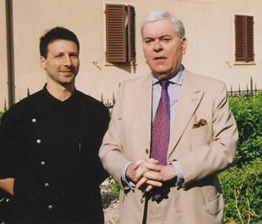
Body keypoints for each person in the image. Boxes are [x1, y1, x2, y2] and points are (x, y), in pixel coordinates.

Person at [99, 10, 238, 224]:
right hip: (139, 213)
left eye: (165, 39)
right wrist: (129, 170)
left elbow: (225, 147)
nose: (157, 47)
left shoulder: (212, 91)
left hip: (193, 212)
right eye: (149, 41)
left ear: (182, 45)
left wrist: (175, 170)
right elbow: (109, 148)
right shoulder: (126, 91)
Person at [0, 27, 110, 224]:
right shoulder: (19, 115)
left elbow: (104, 165)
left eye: (73, 55)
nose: (68, 63)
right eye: (59, 56)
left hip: (85, 217)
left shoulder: (96, 112)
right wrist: (35, 198)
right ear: (43, 62)